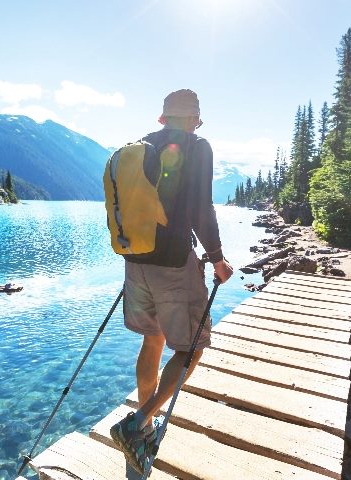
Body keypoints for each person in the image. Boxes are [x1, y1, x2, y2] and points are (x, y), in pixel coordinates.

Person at [109, 89, 234, 473]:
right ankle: (139, 422)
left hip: (135, 262)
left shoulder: (141, 147)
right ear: (195, 118)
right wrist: (217, 258)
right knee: (193, 347)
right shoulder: (197, 147)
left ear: (163, 118)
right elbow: (201, 207)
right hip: (174, 264)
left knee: (154, 338)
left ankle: (144, 425)